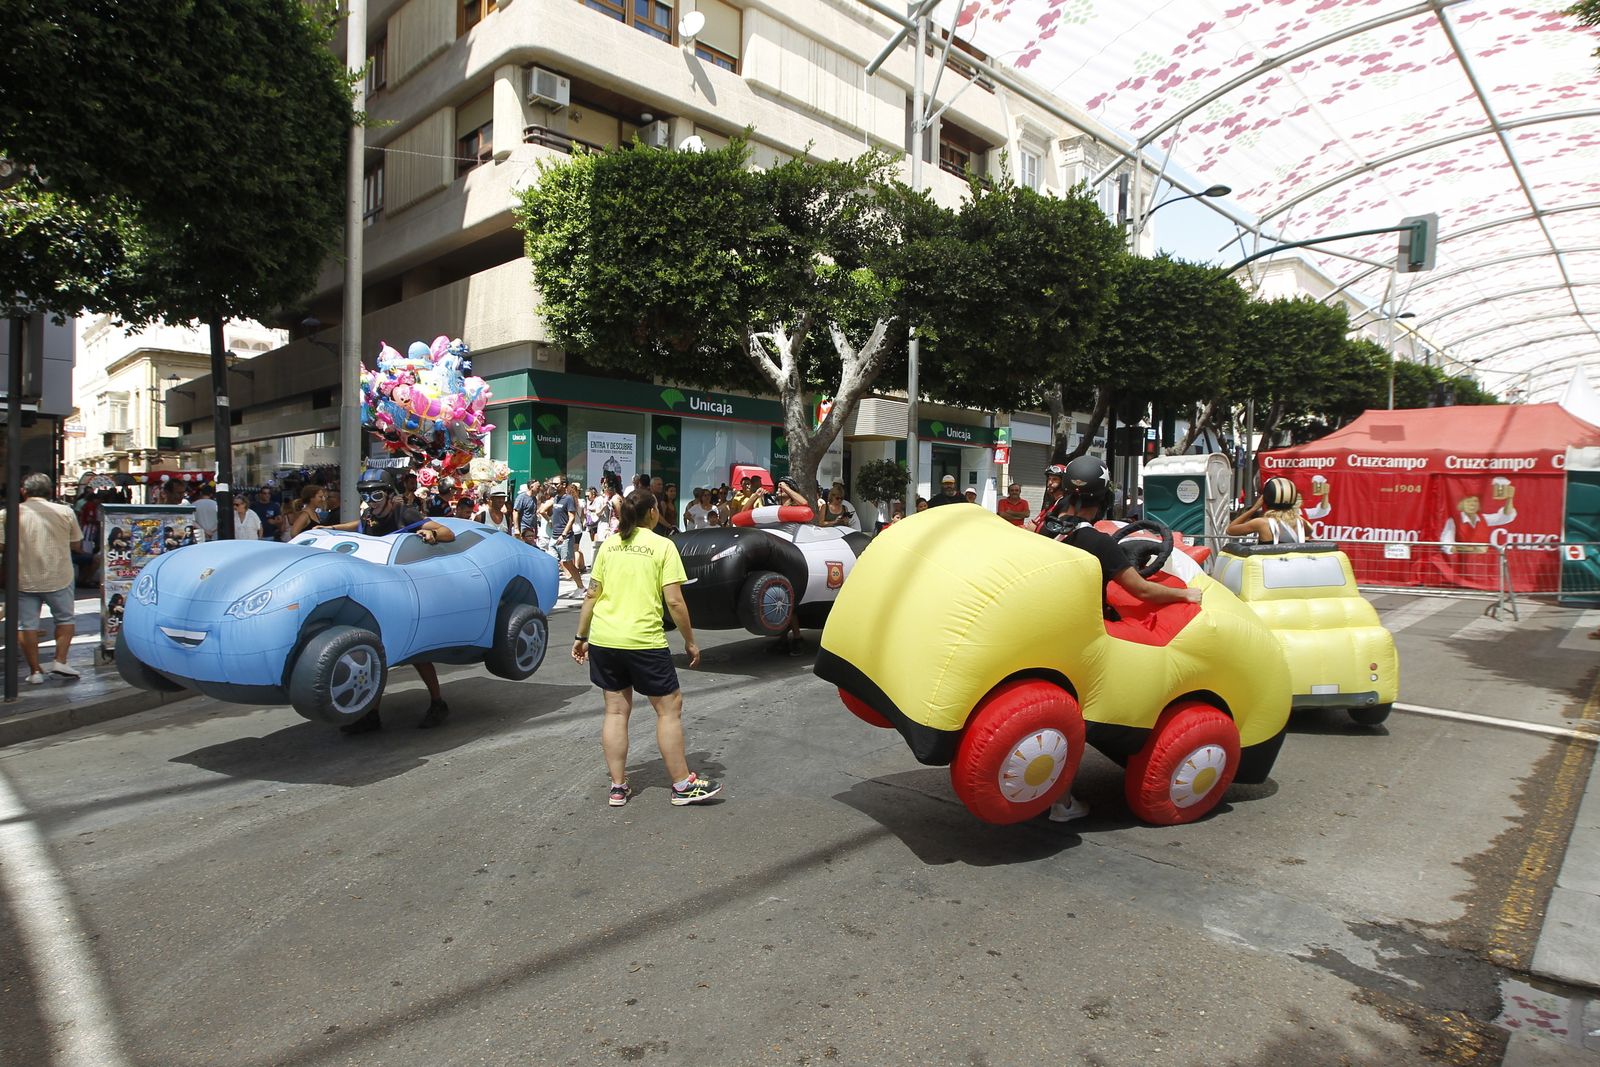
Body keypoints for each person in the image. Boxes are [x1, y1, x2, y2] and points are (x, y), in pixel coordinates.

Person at [1035, 456, 1202, 825]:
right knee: (1082, 714)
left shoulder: (1046, 531)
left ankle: (1047, 790)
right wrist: (1185, 595)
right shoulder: (1097, 542)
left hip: (1044, 629)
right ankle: (1061, 800)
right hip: (1081, 638)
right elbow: (1141, 589)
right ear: (1102, 497)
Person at [571, 488, 722, 808]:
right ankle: (682, 784)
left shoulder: (609, 545)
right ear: (652, 512)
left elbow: (591, 595)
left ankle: (617, 787)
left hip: (604, 639)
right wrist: (690, 640)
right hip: (643, 641)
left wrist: (581, 636)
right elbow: (675, 601)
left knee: (615, 711)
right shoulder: (663, 546)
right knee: (669, 709)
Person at [328, 468, 455, 732]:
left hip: (406, 591)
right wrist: (331, 529)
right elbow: (358, 527)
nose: (370, 501)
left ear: (388, 495)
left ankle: (438, 702)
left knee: (417, 651)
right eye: (365, 495)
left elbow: (447, 532)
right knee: (379, 652)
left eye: (375, 495)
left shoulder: (405, 513)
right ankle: (372, 714)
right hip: (376, 590)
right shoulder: (369, 515)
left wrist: (431, 535)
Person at [1, 472, 85, 683]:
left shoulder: (7, 513)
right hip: (59, 575)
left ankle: (35, 671)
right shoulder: (65, 512)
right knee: (65, 619)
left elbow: (2, 546)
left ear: (23, 491)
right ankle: (60, 661)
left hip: (23, 577)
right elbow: (76, 544)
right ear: (50, 491)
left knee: (26, 624)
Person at [1226, 477, 1309, 545]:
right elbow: (1309, 533)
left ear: (1265, 499)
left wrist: (1254, 508)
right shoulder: (1301, 522)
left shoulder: (1261, 523)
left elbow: (1230, 530)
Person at [550, 479, 583, 591]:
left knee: (568, 563)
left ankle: (581, 587)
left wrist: (564, 534)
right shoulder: (555, 498)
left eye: (556, 484)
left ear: (564, 485)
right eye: (553, 484)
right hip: (554, 536)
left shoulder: (568, 499)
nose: (554, 486)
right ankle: (551, 588)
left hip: (565, 537)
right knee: (552, 562)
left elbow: (572, 518)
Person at [512, 480, 542, 547]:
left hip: (530, 529)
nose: (539, 489)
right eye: (538, 487)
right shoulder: (521, 497)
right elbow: (515, 512)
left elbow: (533, 514)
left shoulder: (534, 498)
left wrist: (536, 529)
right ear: (531, 487)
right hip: (523, 528)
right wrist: (516, 529)